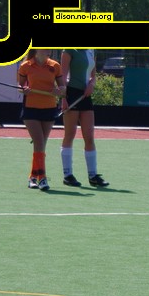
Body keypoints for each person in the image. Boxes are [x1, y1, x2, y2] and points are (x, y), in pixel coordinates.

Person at [60, 49, 108, 187]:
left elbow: (93, 76)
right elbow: (62, 77)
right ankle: (68, 175)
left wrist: (91, 84)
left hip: (85, 96)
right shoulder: (68, 50)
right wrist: (63, 99)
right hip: (71, 94)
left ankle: (93, 176)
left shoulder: (91, 50)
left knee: (89, 136)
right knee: (70, 134)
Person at [18, 49, 65, 191]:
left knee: (41, 144)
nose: (49, 49)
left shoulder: (55, 66)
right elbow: (20, 86)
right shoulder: (26, 65)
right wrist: (24, 89)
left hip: (49, 108)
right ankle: (42, 178)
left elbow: (62, 87)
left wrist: (59, 91)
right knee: (39, 142)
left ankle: (33, 177)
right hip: (30, 108)